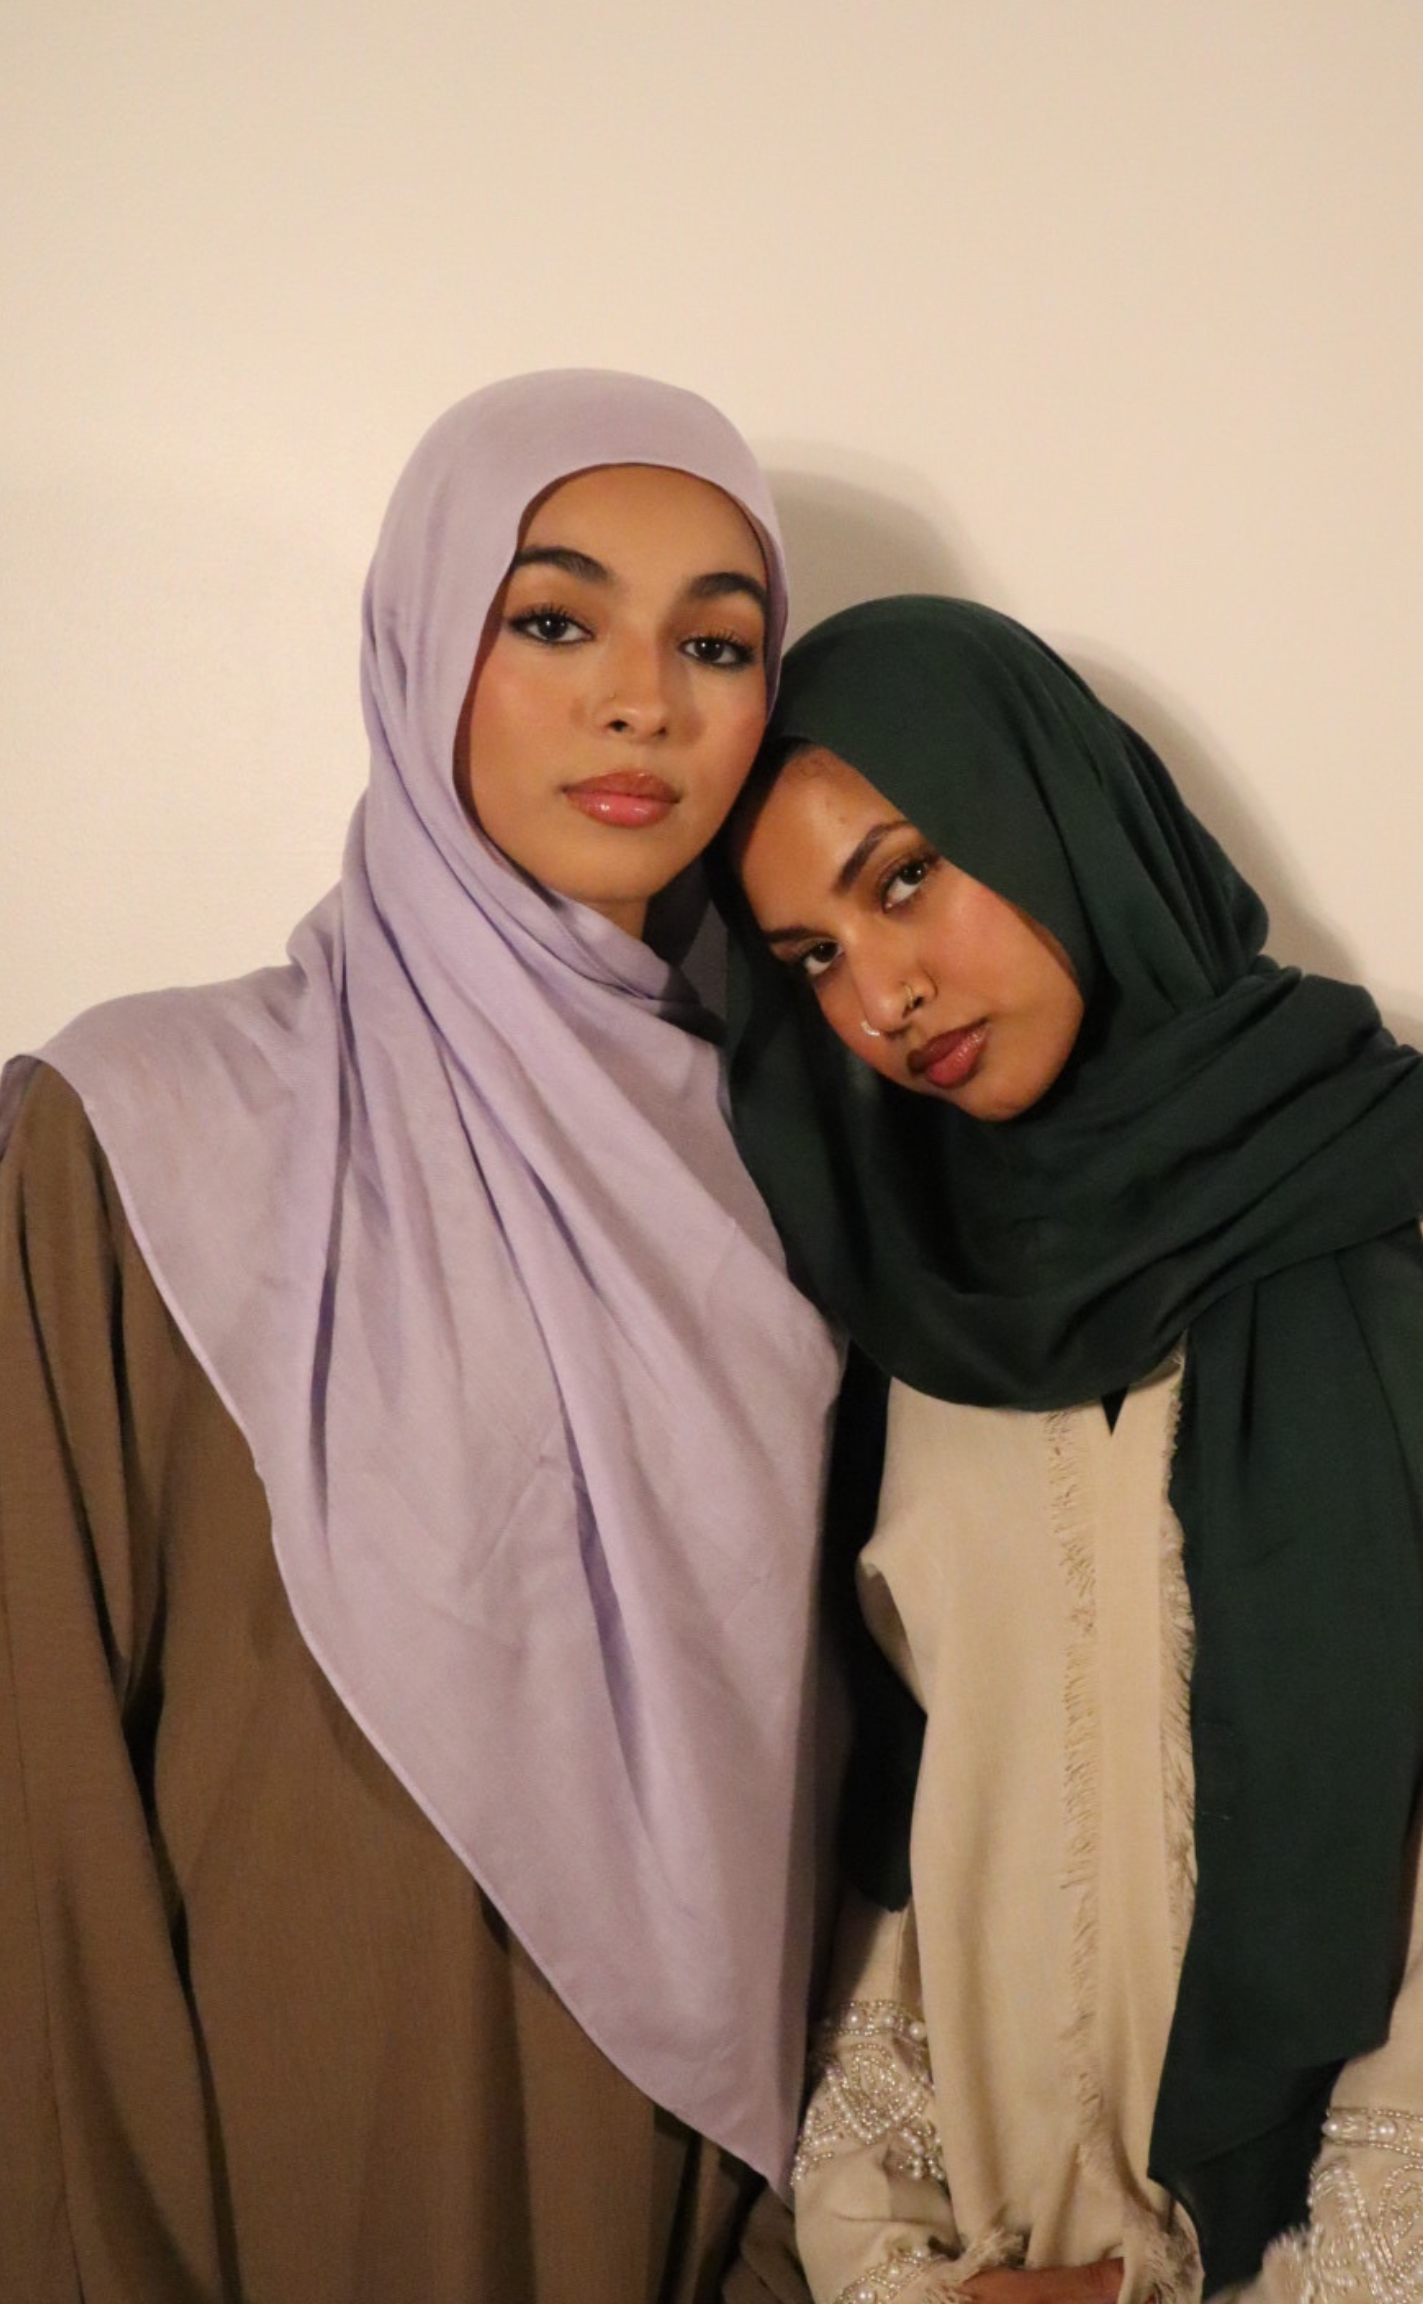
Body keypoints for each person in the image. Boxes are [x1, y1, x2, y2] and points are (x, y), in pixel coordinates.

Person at [716, 596, 1423, 2304]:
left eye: (905, 878)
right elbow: (912, 1853)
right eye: (812, 957)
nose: (882, 995)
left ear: (1056, 810)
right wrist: (907, 2264)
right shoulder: (932, 1326)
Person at [0, 371, 842, 2304]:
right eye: (551, 621)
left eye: (717, 644)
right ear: (417, 648)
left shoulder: (804, 1177)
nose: (642, 702)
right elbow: (35, 1789)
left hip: (682, 2210)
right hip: (260, 2169)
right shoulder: (145, 1126)